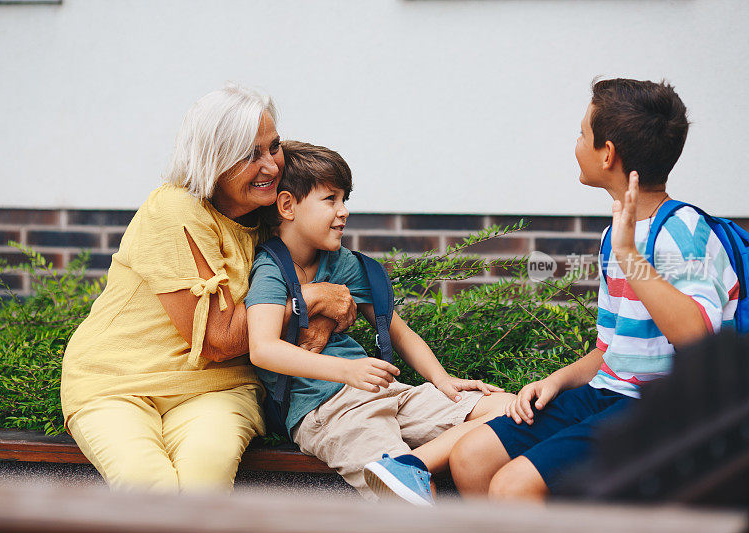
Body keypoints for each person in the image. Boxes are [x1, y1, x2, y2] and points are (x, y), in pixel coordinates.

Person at [448, 78, 739, 500]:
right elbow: (609, 349)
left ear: (608, 154)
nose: (576, 141)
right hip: (607, 393)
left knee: (513, 487)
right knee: (471, 456)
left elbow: (698, 339)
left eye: (582, 133)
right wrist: (557, 379)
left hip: (665, 406)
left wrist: (630, 256)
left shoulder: (684, 232)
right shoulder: (614, 236)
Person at [60, 85, 355, 493]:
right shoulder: (176, 210)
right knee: (148, 488)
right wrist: (314, 299)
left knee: (205, 486)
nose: (270, 165)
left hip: (219, 386)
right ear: (213, 159)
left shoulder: (273, 211)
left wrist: (321, 317)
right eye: (250, 155)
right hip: (118, 382)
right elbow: (217, 339)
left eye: (273, 147)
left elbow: (334, 269)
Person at [245, 141, 515, 505]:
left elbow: (398, 331)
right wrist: (346, 371)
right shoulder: (270, 270)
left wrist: (443, 381)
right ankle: (406, 471)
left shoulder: (343, 264)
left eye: (345, 200)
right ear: (288, 205)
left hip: (387, 393)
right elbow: (263, 349)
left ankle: (409, 462)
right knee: (409, 496)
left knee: (508, 410)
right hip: (332, 413)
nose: (343, 212)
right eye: (330, 199)